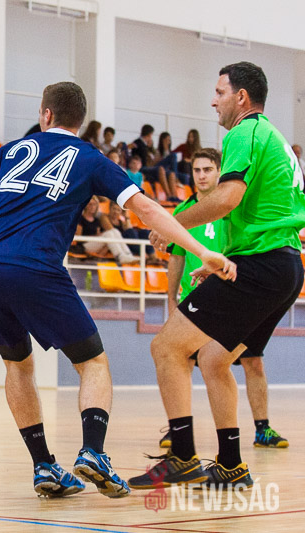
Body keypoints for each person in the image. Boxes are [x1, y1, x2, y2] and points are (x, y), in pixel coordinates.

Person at [0, 81, 235, 499]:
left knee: (17, 366)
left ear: (46, 114)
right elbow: (147, 210)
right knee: (93, 362)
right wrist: (202, 251)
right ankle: (93, 452)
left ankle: (44, 465)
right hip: (38, 267)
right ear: (80, 120)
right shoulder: (91, 158)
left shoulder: (9, 150)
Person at [129, 62, 305, 491]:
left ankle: (183, 457)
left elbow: (226, 199)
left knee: (166, 347)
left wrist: (172, 224)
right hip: (283, 266)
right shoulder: (275, 138)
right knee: (213, 359)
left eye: (220, 92)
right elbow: (259, 212)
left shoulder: (244, 132)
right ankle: (230, 465)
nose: (213, 101)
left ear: (241, 97)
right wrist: (221, 260)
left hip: (263, 264)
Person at [156, 148, 288, 450]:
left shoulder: (231, 204)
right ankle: (179, 431)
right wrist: (171, 296)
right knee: (180, 359)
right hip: (196, 297)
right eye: (197, 170)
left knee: (251, 361)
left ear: (220, 172)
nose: (201, 176)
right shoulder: (183, 212)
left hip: (232, 292)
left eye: (208, 170)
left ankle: (262, 429)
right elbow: (176, 257)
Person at [76, 197, 138, 264]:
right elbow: (79, 239)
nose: (92, 206)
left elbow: (98, 234)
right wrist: (97, 236)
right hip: (84, 245)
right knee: (108, 234)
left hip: (95, 244)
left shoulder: (96, 220)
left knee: (115, 231)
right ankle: (120, 256)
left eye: (94, 204)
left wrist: (99, 236)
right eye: (90, 204)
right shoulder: (80, 219)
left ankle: (128, 254)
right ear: (85, 205)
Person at [131, 125, 175, 201]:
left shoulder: (150, 148)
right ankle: (169, 195)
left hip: (151, 167)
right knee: (162, 167)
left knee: (171, 174)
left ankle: (174, 196)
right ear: (149, 134)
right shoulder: (137, 143)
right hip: (142, 168)